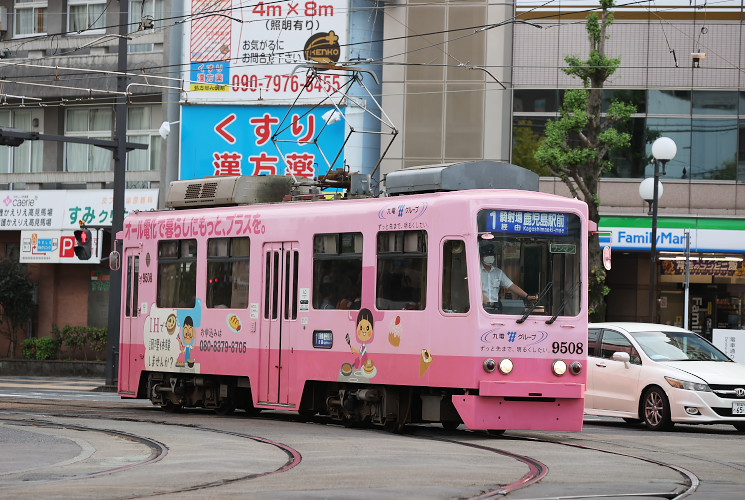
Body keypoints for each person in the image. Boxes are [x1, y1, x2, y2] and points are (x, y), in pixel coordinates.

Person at [480, 244, 535, 311]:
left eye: (491, 255)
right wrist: (483, 298)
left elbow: (511, 286)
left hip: (494, 308)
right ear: (481, 257)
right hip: (479, 308)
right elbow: (471, 288)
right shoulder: (476, 272)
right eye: (487, 255)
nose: (490, 257)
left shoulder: (498, 272)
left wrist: (527, 296)